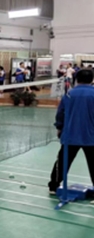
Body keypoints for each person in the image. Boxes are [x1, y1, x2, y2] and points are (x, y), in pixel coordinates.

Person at [48, 68, 94, 196]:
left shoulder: (69, 94)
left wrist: (59, 127)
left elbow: (60, 113)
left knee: (62, 162)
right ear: (92, 80)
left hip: (70, 135)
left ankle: (53, 186)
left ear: (77, 79)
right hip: (91, 137)